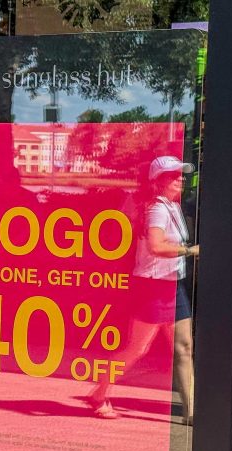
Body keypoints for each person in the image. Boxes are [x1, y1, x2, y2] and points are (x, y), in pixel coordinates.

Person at [85, 155, 198, 423]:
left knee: (184, 347)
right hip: (152, 286)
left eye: (180, 174)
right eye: (173, 175)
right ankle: (99, 393)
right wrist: (189, 251)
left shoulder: (172, 206)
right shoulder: (156, 209)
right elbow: (155, 246)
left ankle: (192, 412)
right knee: (137, 349)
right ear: (158, 181)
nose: (180, 179)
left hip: (172, 285)